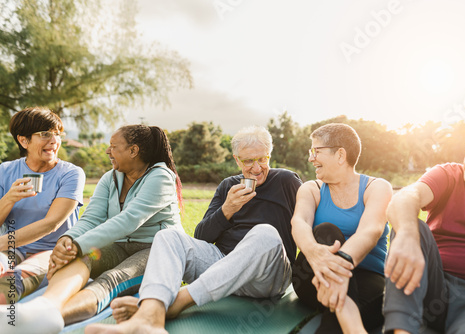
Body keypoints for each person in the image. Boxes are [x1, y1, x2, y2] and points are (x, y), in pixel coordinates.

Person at [85, 125, 303, 334]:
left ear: (270, 155)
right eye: (248, 161)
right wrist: (227, 210)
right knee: (169, 236)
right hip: (222, 266)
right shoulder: (228, 186)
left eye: (262, 159)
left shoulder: (286, 181)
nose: (256, 168)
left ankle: (176, 303)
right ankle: (150, 316)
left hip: (266, 276)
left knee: (264, 233)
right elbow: (202, 236)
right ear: (237, 160)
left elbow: (307, 223)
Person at [1, 124, 184, 334]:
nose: (108, 151)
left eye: (114, 146)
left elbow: (129, 220)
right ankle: (42, 308)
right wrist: (68, 242)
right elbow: (91, 218)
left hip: (157, 248)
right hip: (120, 246)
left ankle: (51, 318)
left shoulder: (161, 177)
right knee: (79, 258)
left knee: (113, 278)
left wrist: (78, 244)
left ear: (133, 151)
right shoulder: (110, 178)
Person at [384, 120, 465, 333]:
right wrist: (408, 237)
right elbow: (405, 198)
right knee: (412, 226)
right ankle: (401, 330)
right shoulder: (450, 175)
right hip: (431, 286)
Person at [291, 123, 392, 333]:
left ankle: (336, 322)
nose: (311, 158)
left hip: (368, 280)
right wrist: (313, 252)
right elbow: (299, 222)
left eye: (316, 151)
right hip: (312, 274)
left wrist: (340, 264)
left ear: (340, 155)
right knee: (327, 231)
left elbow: (370, 230)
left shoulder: (377, 187)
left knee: (346, 303)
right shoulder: (311, 189)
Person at [0, 107, 85, 304]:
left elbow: (52, 223)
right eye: (45, 134)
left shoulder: (71, 174)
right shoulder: (5, 171)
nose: (54, 140)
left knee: (10, 284)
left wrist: (3, 243)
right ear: (23, 140)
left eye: (57, 134)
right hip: (12, 249)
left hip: (51, 251)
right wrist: (8, 199)